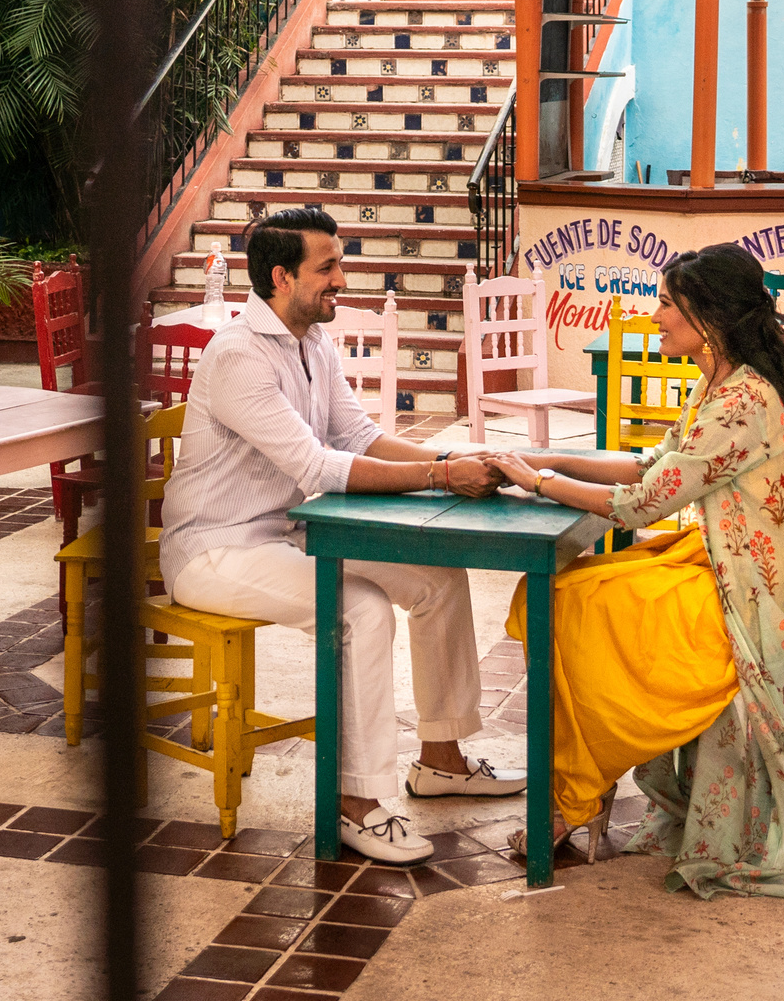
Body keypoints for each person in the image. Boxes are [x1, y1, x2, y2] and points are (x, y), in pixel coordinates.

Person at [482, 245, 784, 910]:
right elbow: (653, 465)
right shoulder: (719, 381)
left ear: (709, 315)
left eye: (668, 303)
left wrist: (539, 481)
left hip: (745, 597)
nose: (657, 315)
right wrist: (538, 459)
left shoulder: (742, 403)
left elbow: (644, 503)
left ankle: (576, 794)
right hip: (718, 565)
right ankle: (579, 788)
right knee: (558, 595)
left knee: (577, 611)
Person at [159, 206, 523, 864]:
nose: (341, 279)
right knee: (357, 609)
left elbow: (356, 436)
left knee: (436, 576)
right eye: (327, 267)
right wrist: (443, 477)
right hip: (216, 550)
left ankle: (440, 759)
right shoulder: (239, 356)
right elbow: (318, 466)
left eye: (339, 263)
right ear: (280, 276)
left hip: (297, 534)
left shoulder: (312, 342)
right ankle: (356, 801)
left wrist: (455, 458)